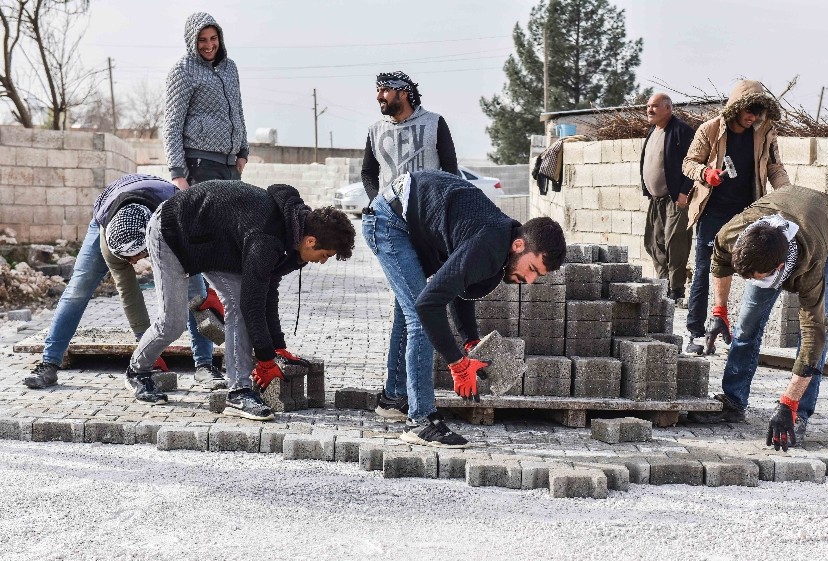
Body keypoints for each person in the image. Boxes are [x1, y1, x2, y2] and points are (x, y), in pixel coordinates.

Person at [118, 181, 356, 421]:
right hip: (172, 232)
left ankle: (238, 392)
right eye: (325, 256)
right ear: (311, 241)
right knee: (173, 322)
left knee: (238, 306)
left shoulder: (291, 231)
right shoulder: (267, 239)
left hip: (211, 242)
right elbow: (253, 304)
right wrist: (264, 359)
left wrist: (276, 347)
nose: (322, 262)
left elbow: (267, 291)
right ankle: (137, 371)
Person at [363, 170, 566, 447]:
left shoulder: (499, 249)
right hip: (390, 220)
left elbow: (458, 288)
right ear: (519, 245)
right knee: (418, 315)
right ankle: (420, 421)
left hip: (408, 218)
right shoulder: (489, 245)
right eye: (531, 269)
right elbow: (430, 305)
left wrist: (471, 341)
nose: (529, 281)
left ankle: (394, 398)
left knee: (409, 307)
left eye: (537, 276)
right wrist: (458, 364)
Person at [22, 174, 224, 390]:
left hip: (162, 210)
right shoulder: (110, 242)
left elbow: (197, 265)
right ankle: (49, 363)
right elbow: (130, 295)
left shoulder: (177, 218)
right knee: (78, 290)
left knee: (195, 291)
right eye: (127, 259)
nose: (133, 263)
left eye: (135, 256)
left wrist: (206, 287)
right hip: (110, 211)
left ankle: (204, 365)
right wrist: (147, 351)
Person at [701, 185, 828, 450]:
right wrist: (719, 311)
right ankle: (733, 401)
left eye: (755, 277)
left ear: (779, 268)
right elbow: (719, 260)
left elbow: (812, 335)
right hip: (785, 212)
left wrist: (788, 402)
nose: (749, 282)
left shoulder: (810, 268)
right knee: (747, 324)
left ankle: (797, 415)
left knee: (813, 333)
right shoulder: (734, 234)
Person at [682, 80, 789, 355]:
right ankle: (695, 332)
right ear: (736, 108)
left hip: (747, 210)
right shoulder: (711, 129)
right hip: (712, 210)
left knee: (753, 266)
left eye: (758, 111)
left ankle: (741, 332)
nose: (753, 116)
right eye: (749, 110)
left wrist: (788, 195)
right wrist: (707, 173)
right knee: (704, 269)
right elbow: (688, 163)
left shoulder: (765, 131)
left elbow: (775, 167)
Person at [163, 12, 249, 191]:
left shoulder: (230, 68)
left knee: (235, 219)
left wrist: (243, 151)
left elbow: (238, 111)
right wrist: (178, 174)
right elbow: (172, 125)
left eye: (213, 38)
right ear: (192, 41)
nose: (209, 45)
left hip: (232, 167)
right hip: (201, 166)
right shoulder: (183, 71)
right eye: (202, 40)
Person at [361, 71, 459, 201]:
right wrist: (377, 202)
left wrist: (442, 201)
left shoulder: (434, 122)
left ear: (403, 93)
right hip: (389, 214)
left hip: (427, 212)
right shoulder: (375, 130)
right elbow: (368, 172)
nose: (378, 96)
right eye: (378, 90)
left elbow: (450, 167)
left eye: (385, 90)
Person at [640, 93, 695, 301]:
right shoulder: (653, 131)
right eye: (648, 106)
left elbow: (696, 162)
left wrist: (685, 191)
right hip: (656, 200)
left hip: (675, 199)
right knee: (654, 243)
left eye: (654, 106)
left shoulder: (682, 131)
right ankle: (663, 286)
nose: (650, 110)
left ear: (668, 108)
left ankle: (676, 290)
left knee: (676, 243)